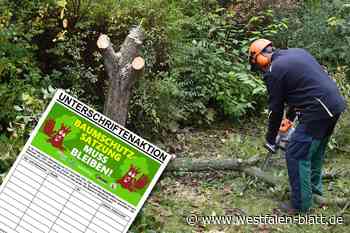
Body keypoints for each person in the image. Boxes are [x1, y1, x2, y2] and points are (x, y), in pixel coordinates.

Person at [248, 39, 346, 213]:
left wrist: (271, 139)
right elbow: (300, 89)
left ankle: (301, 205)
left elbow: (275, 110)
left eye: (259, 67)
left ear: (260, 58)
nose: (262, 71)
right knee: (315, 151)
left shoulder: (274, 70)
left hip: (317, 110)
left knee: (295, 154)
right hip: (334, 104)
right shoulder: (297, 52)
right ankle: (314, 192)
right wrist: (290, 118)